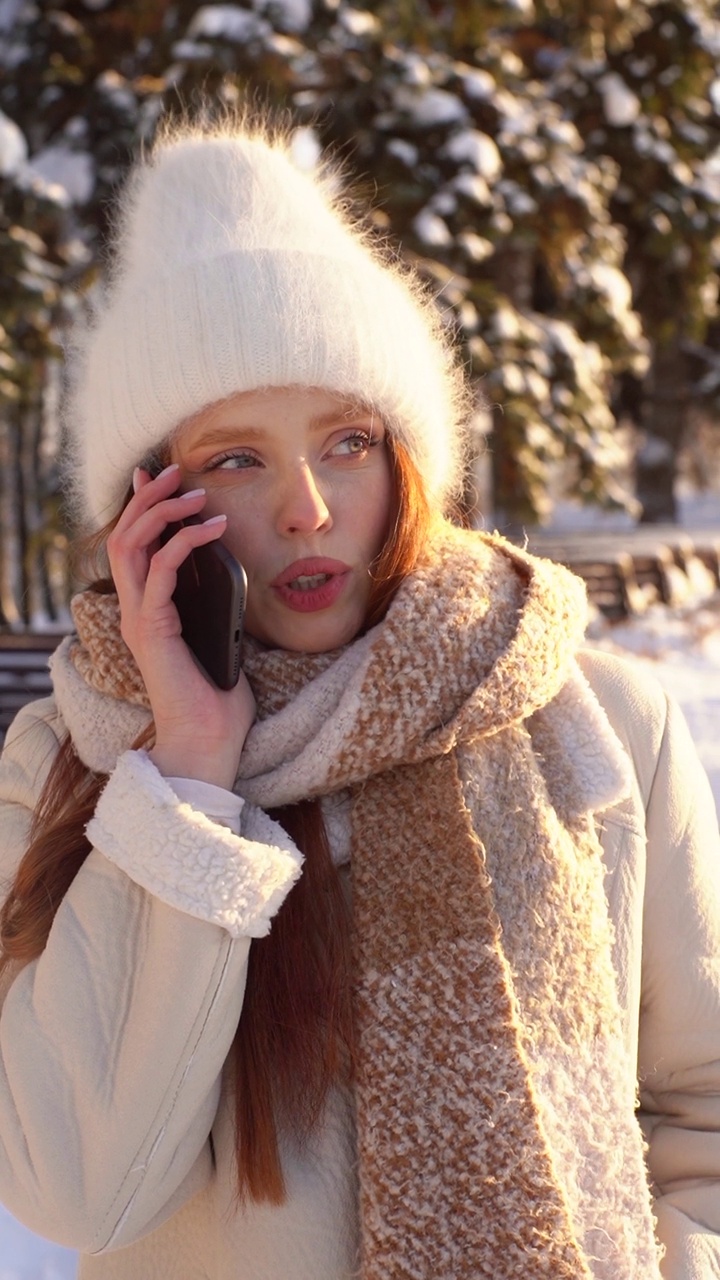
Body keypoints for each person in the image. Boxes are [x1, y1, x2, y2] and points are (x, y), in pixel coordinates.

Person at [0, 111, 718, 1280]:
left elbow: (702, 1111)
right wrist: (186, 768)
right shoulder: (68, 766)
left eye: (346, 441)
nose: (309, 509)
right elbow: (77, 1181)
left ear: (410, 461)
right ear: (150, 505)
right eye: (237, 458)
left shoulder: (595, 725)